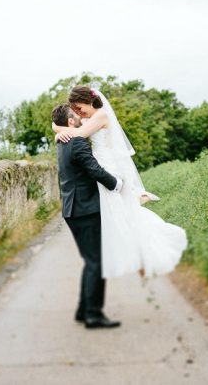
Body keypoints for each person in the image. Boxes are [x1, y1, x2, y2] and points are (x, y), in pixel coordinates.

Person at [54, 86, 187, 279]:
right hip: (100, 163)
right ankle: (133, 246)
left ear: (90, 102)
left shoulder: (100, 116)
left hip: (107, 166)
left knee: (119, 213)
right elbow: (72, 128)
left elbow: (78, 134)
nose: (78, 112)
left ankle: (142, 253)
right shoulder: (89, 118)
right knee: (115, 213)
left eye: (79, 107)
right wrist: (57, 128)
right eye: (74, 109)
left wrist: (58, 131)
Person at [52, 103, 123, 329]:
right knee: (97, 262)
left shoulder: (63, 141)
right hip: (86, 209)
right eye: (76, 115)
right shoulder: (76, 141)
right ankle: (93, 314)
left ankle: (84, 310)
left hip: (73, 209)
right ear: (71, 122)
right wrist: (117, 184)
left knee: (90, 261)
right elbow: (94, 170)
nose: (82, 117)